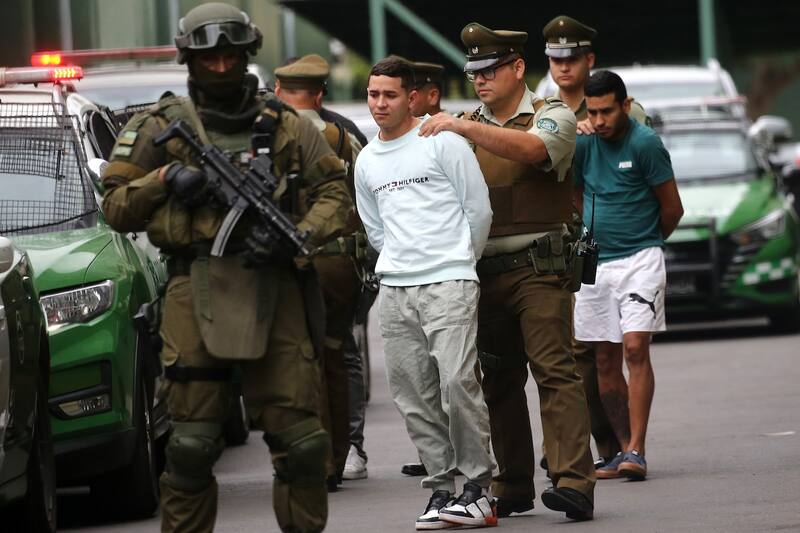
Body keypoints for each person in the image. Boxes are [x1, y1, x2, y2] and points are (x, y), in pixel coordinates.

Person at [100, 4, 352, 532]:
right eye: (208, 57)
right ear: (190, 59)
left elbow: (336, 192)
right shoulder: (158, 126)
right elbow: (115, 206)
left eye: (230, 56)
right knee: (190, 446)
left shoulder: (287, 126)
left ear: (247, 55)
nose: (219, 67)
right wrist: (165, 179)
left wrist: (299, 236)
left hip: (276, 287)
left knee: (304, 445)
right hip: (196, 287)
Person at [420, 22, 596, 521]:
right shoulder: (463, 124)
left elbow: (535, 152)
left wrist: (462, 127)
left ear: (518, 68)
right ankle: (512, 482)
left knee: (554, 371)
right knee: (496, 381)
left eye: (491, 69)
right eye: (474, 71)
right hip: (482, 270)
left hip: (539, 267)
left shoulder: (551, 114)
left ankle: (573, 482)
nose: (480, 78)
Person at [355, 56, 496, 530]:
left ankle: (479, 489)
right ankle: (441, 489)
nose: (379, 103)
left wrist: (459, 262)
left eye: (389, 95)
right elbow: (374, 228)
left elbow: (478, 210)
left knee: (458, 382)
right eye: (373, 94)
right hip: (395, 289)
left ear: (411, 97)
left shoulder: (443, 143)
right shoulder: (367, 159)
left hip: (450, 280)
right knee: (413, 394)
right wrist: (400, 264)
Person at [541, 14, 653, 473]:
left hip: (607, 243)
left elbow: (642, 166)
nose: (563, 67)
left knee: (602, 349)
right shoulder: (542, 110)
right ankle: (575, 444)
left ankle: (616, 445)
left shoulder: (624, 111)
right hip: (557, 240)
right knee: (567, 354)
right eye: (554, 58)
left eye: (571, 58)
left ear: (589, 59)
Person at [572, 70, 683, 481]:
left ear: (624, 104)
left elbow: (672, 208)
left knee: (636, 347)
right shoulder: (583, 143)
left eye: (607, 111)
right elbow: (575, 192)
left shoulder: (645, 144)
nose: (600, 120)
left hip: (641, 258)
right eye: (593, 112)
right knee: (604, 356)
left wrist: (647, 242)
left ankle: (637, 447)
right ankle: (621, 450)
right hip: (596, 263)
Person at [274, 53, 367, 489]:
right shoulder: (344, 137)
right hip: (339, 261)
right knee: (334, 352)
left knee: (293, 357)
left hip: (288, 259)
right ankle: (337, 457)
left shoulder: (272, 134)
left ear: (278, 91)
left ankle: (303, 456)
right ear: (320, 93)